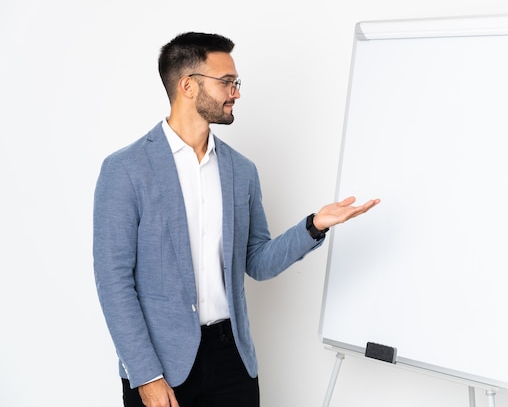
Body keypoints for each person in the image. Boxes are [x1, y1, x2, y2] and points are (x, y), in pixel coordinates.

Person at [93, 31, 380, 407]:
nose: (236, 92)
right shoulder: (126, 170)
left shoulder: (240, 171)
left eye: (236, 82)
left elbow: (257, 262)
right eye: (227, 82)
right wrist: (145, 374)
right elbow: (113, 281)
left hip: (232, 359)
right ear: (188, 86)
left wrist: (314, 226)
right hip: (161, 363)